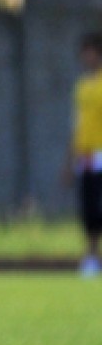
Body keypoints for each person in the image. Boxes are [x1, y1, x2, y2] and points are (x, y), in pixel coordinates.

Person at [64, 31, 102, 278]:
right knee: (88, 210)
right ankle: (91, 257)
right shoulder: (81, 87)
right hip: (86, 156)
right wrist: (68, 162)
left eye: (91, 52)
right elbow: (76, 126)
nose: (87, 57)